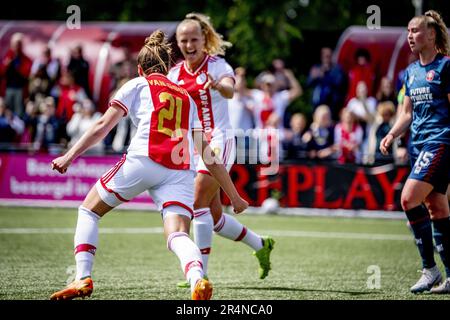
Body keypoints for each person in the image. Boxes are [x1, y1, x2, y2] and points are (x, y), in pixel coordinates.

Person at [49, 30, 248, 300]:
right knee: (177, 234)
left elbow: (101, 126)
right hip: (178, 172)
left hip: (143, 160)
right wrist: (234, 196)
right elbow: (209, 155)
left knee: (89, 211)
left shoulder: (137, 84)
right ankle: (196, 279)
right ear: (167, 68)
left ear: (141, 69)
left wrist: (69, 156)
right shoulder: (187, 99)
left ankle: (82, 277)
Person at [168, 13, 275, 288]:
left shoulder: (217, 66)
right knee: (214, 218)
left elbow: (229, 88)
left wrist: (218, 85)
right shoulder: (175, 73)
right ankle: (261, 244)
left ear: (204, 40)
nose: (189, 45)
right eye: (184, 40)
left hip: (220, 140)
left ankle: (199, 275)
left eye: (194, 39)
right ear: (178, 43)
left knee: (197, 202)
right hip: (191, 145)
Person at [380, 10, 450, 294]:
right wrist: (392, 133)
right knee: (437, 207)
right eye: (408, 31)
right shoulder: (409, 72)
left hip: (440, 142)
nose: (410, 36)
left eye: (416, 31)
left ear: (431, 35)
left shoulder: (446, 67)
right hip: (418, 145)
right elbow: (406, 113)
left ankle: (429, 270)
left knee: (408, 199)